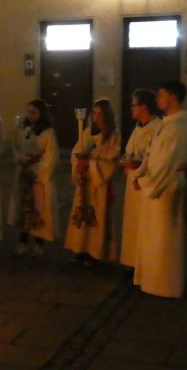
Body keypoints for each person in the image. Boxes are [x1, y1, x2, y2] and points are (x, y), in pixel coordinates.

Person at [133, 80, 187, 298]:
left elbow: (166, 163)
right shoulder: (167, 124)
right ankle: (153, 280)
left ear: (173, 97)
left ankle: (164, 283)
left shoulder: (178, 127)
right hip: (159, 185)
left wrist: (145, 181)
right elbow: (152, 155)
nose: (157, 99)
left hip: (167, 186)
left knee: (164, 238)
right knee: (154, 236)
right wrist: (141, 172)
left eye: (161, 94)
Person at [65, 99, 121, 265]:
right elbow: (78, 149)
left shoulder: (113, 135)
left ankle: (95, 252)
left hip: (99, 183)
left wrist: (89, 162)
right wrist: (79, 160)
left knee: (98, 215)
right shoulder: (88, 131)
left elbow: (110, 160)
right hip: (86, 181)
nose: (97, 117)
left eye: (100, 113)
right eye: (94, 113)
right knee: (82, 213)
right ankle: (80, 248)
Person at [9, 99, 59, 257]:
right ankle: (23, 241)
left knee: (39, 208)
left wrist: (37, 171)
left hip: (38, 177)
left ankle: (39, 242)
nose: (30, 115)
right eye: (28, 111)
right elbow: (16, 146)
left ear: (41, 114)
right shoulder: (24, 129)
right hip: (24, 173)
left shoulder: (48, 132)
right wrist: (20, 159)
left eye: (34, 112)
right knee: (24, 208)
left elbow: (51, 156)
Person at [119, 89, 161, 268]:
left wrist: (135, 163)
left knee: (144, 225)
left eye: (134, 105)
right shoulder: (138, 128)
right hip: (132, 182)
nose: (131, 108)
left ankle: (143, 263)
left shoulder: (157, 127)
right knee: (132, 224)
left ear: (144, 107)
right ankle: (132, 261)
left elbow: (155, 156)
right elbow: (130, 150)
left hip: (145, 183)